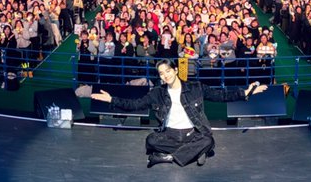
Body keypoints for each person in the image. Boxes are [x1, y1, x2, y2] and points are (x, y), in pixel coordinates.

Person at [91, 59, 267, 167]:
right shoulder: (157, 93)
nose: (165, 75)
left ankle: (167, 157)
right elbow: (136, 105)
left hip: (192, 133)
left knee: (208, 140)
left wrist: (245, 92)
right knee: (150, 140)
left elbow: (220, 95)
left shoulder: (195, 87)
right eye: (162, 73)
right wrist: (111, 100)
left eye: (168, 71)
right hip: (169, 135)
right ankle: (194, 153)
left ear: (175, 70)